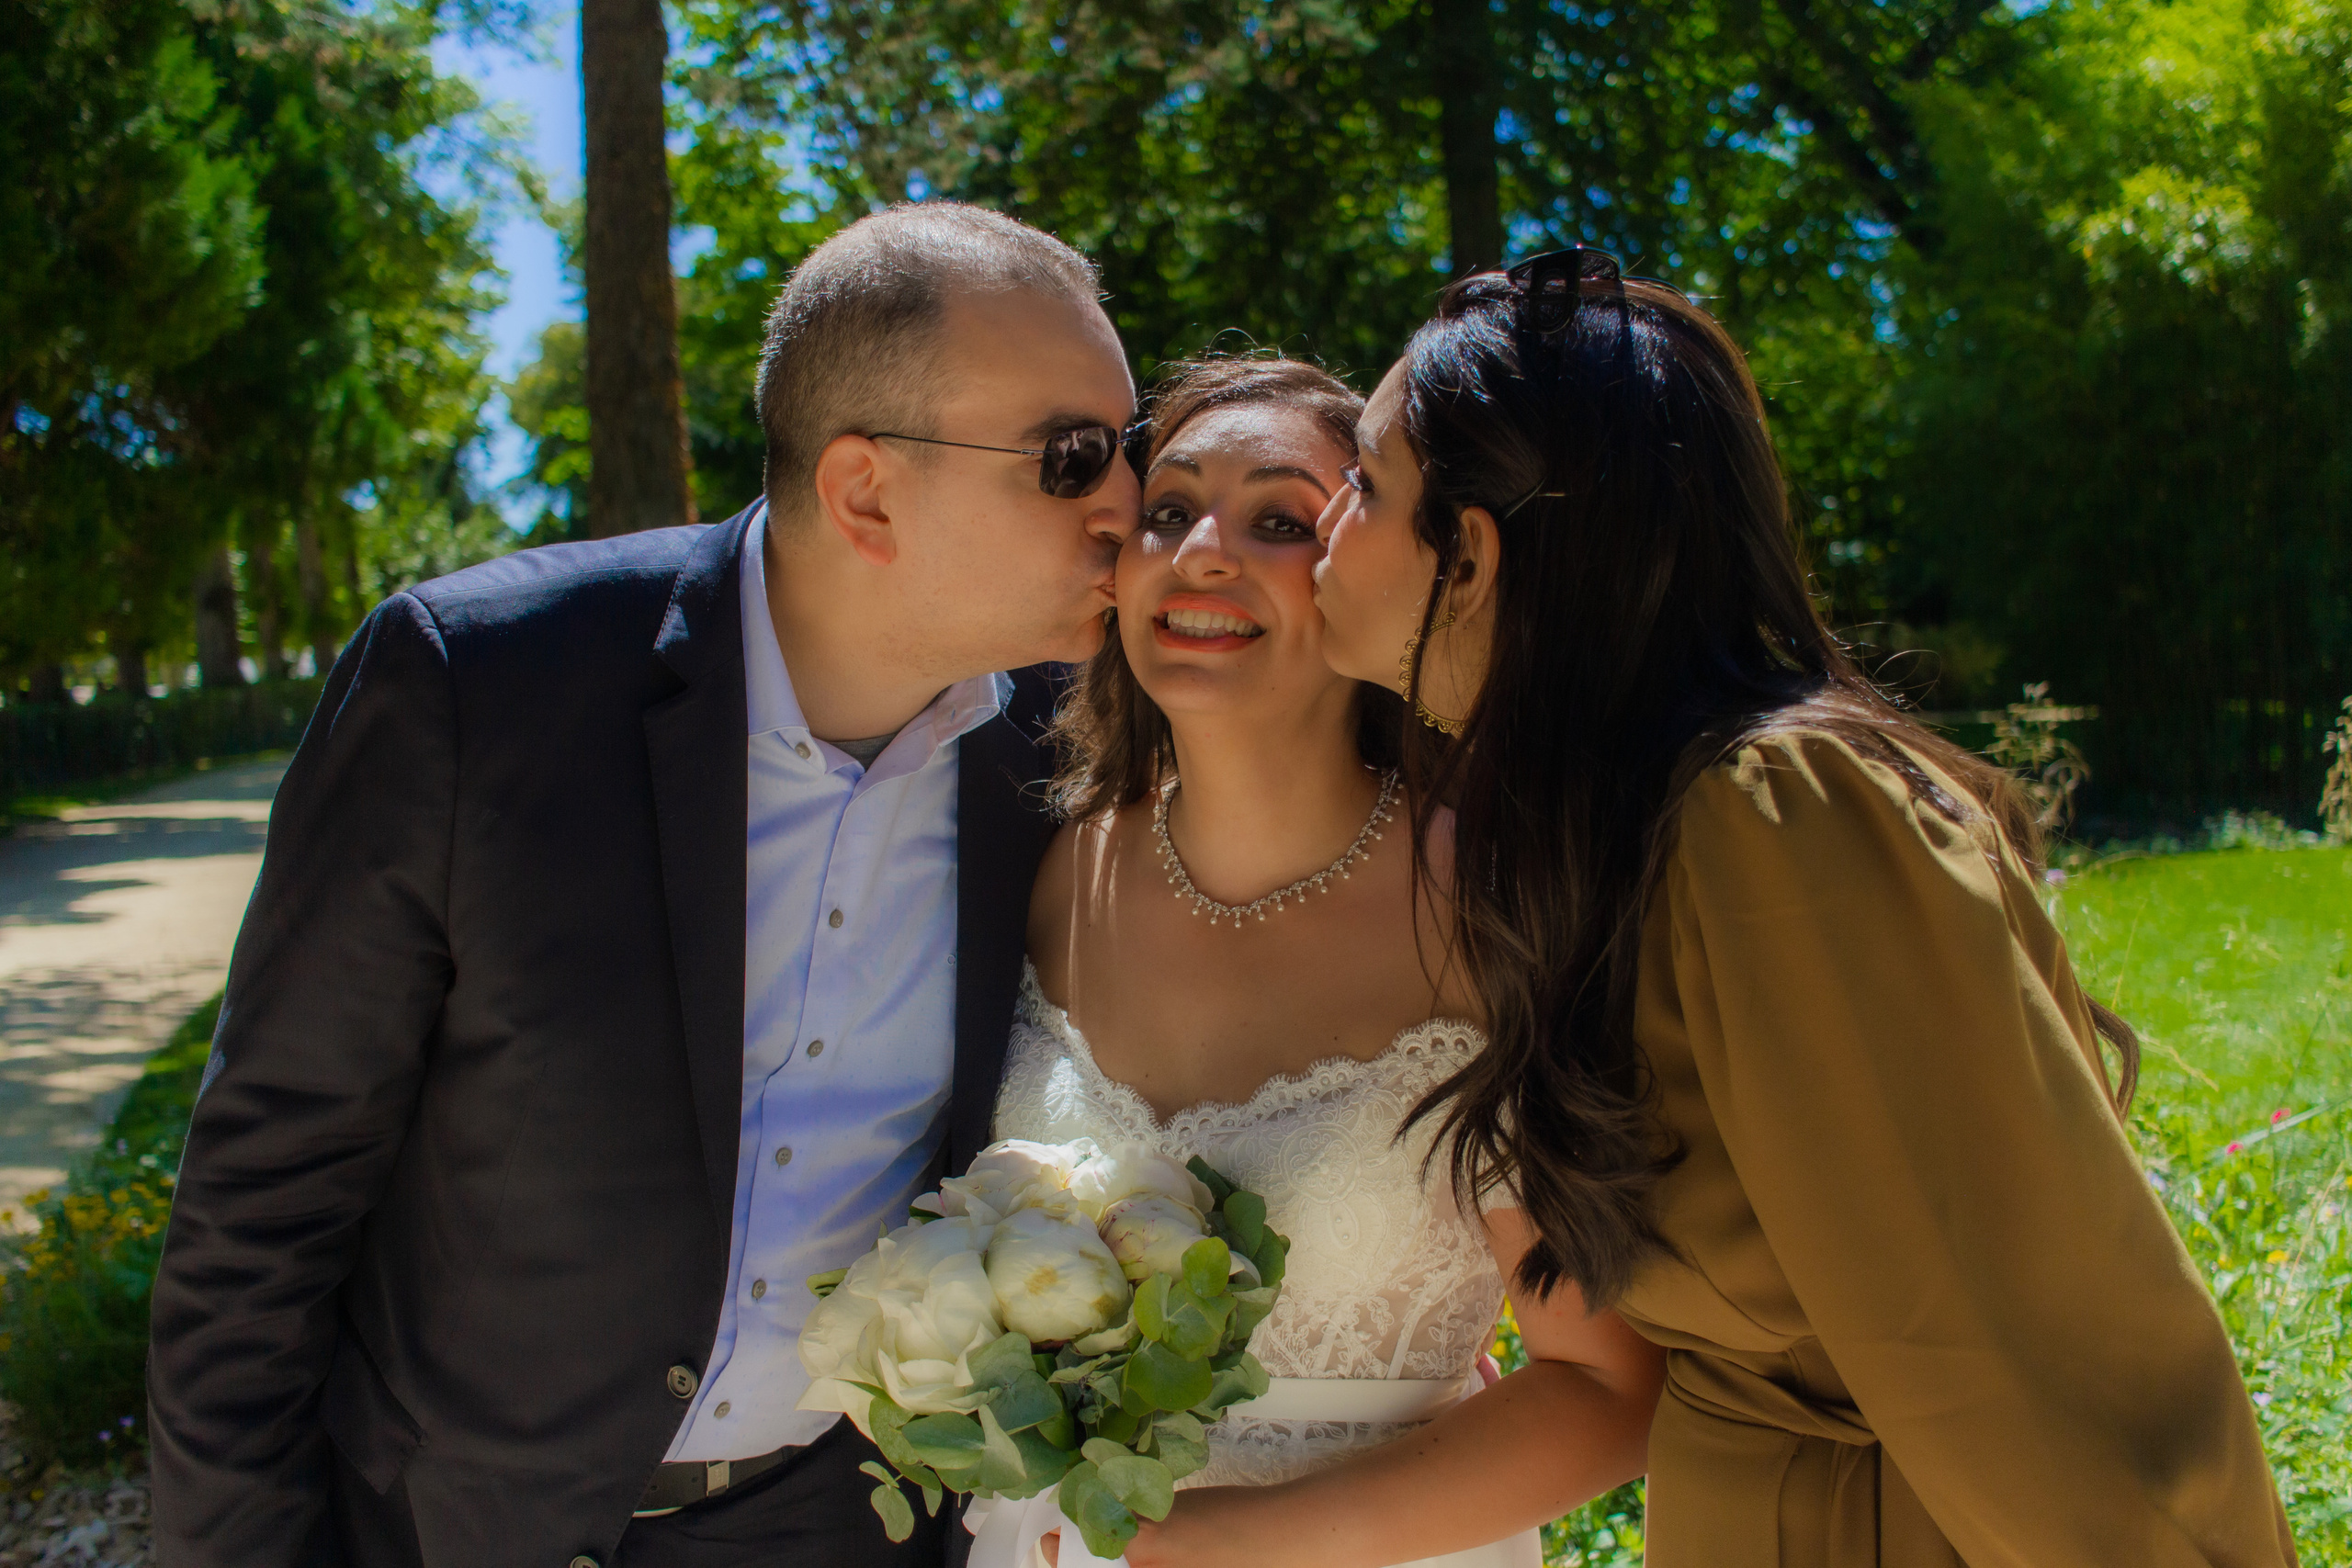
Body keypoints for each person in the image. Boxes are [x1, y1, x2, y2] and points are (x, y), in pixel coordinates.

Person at [146, 203, 1141, 1568]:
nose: (1128, 505)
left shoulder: (1062, 761)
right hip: (449, 1531)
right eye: (1074, 456)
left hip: (840, 1535)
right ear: (866, 492)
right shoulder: (473, 686)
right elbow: (264, 1202)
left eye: (1130, 447)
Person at [1307, 249, 2301, 1567]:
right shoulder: (1592, 831)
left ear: (1473, 555)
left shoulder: (1779, 813)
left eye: (1367, 484)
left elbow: (1992, 1337)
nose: (1326, 521)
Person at [977, 355, 1665, 1568]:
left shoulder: (1494, 904)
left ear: (1371, 566)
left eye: (1282, 521)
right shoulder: (1033, 867)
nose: (1202, 554)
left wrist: (1224, 1543)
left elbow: (1609, 1390)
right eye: (1169, 510)